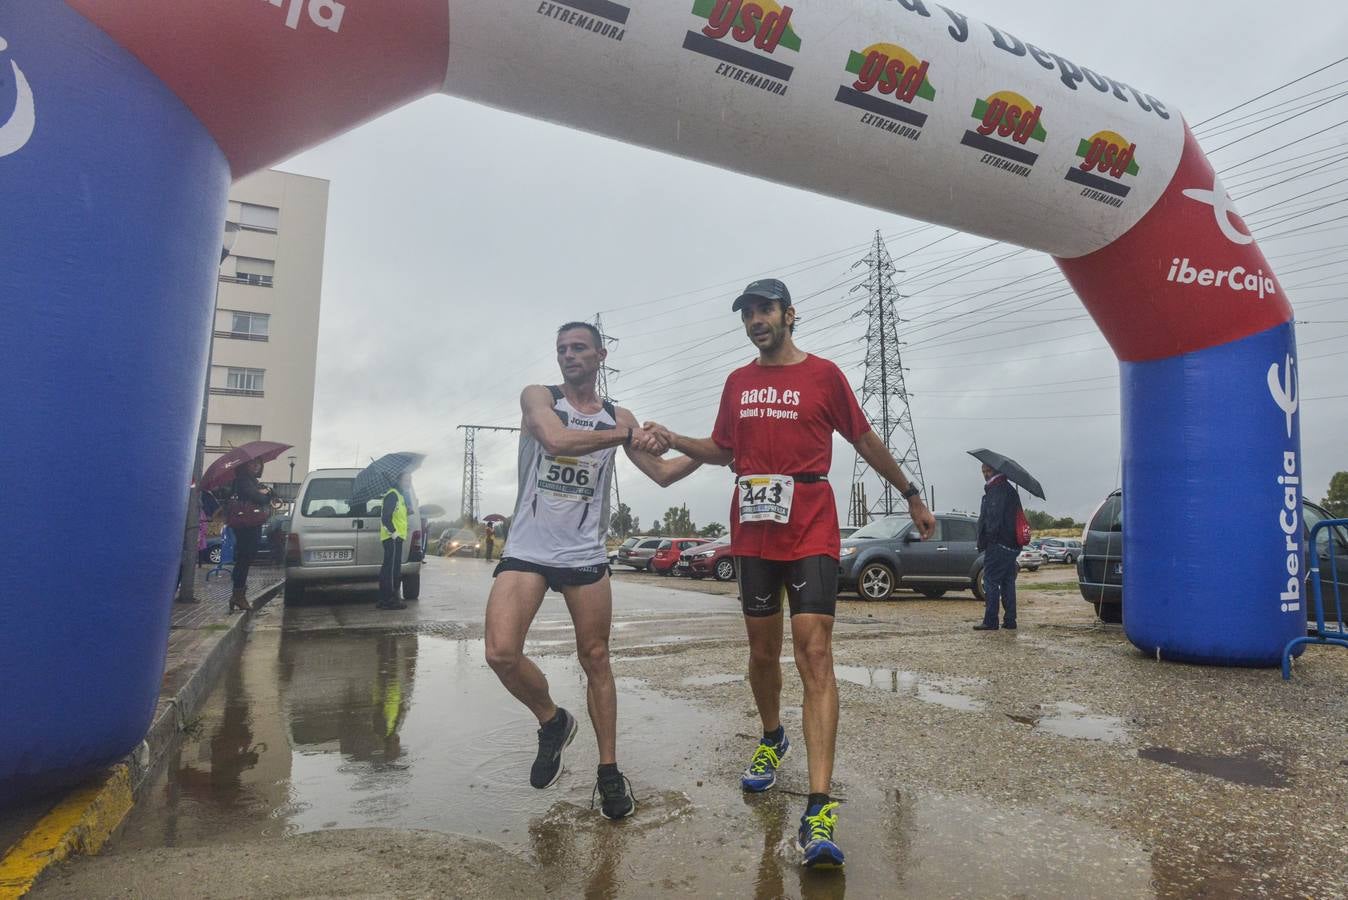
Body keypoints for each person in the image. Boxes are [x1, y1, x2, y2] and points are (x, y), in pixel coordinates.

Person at [644, 279, 935, 869]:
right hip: (752, 530)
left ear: (788, 314)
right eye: (747, 313)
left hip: (811, 525)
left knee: (815, 652)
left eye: (764, 310)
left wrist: (910, 494)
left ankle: (820, 808)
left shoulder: (824, 377)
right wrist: (671, 437)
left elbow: (864, 438)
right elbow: (724, 449)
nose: (755, 320)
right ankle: (772, 736)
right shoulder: (737, 382)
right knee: (761, 654)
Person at [485, 321, 702, 820]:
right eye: (562, 349)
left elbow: (664, 473)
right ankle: (553, 720)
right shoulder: (540, 397)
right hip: (529, 546)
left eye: (579, 348)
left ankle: (609, 771)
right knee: (500, 652)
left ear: (601, 355)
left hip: (584, 553)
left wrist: (713, 451)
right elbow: (557, 440)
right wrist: (627, 433)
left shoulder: (615, 413)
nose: (568, 355)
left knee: (597, 657)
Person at [975, 463, 1024, 631]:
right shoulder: (1009, 490)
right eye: (983, 471)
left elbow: (993, 520)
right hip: (1012, 544)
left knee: (990, 581)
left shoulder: (996, 490)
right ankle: (1010, 620)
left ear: (996, 471)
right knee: (1007, 582)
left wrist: (989, 540)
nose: (985, 474)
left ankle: (991, 620)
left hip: (999, 544)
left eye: (988, 471)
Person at [228, 460, 274, 612]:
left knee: (246, 557)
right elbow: (257, 498)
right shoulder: (243, 480)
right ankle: (238, 594)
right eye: (253, 464)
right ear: (245, 465)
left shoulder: (250, 481)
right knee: (245, 557)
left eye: (258, 464)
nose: (257, 466)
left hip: (249, 523)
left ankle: (239, 594)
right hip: (246, 523)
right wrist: (267, 494)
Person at [378, 474, 413, 611]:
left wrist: (407, 512)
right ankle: (390, 600)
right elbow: (385, 517)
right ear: (398, 481)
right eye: (406, 480)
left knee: (390, 568)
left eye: (410, 480)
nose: (409, 482)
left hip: (396, 538)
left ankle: (384, 599)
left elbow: (397, 515)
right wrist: (393, 533)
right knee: (392, 570)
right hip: (392, 538)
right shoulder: (392, 495)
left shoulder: (400, 496)